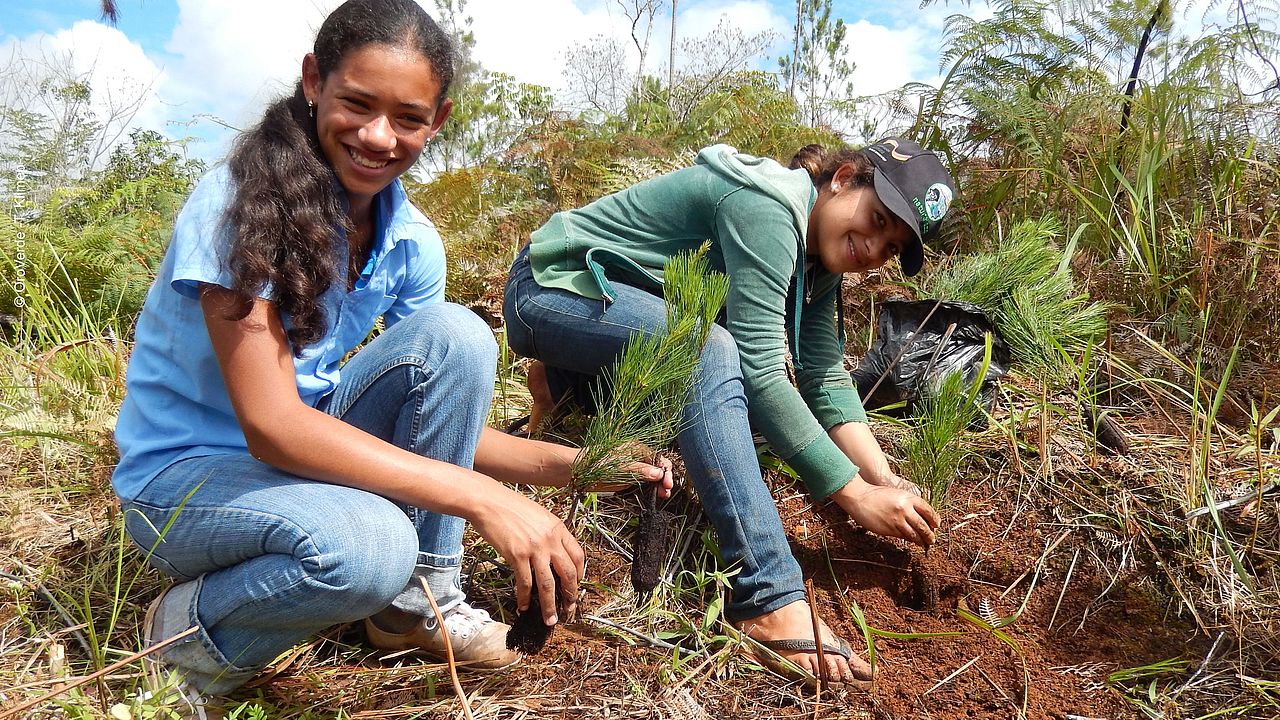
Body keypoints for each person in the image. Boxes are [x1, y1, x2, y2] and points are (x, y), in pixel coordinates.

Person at [111, 0, 670, 704]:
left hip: (302, 458)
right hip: (184, 484)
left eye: (408, 117)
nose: (378, 136)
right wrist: (486, 501)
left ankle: (418, 605)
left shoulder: (411, 243)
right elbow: (273, 425)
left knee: (455, 335)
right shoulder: (237, 206)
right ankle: (186, 638)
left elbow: (440, 433)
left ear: (438, 121)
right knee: (371, 550)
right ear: (314, 80)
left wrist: (577, 468)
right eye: (357, 104)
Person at [503, 138, 956, 686]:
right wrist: (853, 496)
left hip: (618, 317)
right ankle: (766, 594)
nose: (874, 245)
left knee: (706, 403)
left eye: (892, 245)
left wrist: (881, 476)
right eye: (878, 218)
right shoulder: (767, 206)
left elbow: (824, 376)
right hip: (553, 288)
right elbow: (763, 370)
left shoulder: (819, 261)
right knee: (712, 352)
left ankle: (566, 383)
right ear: (841, 180)